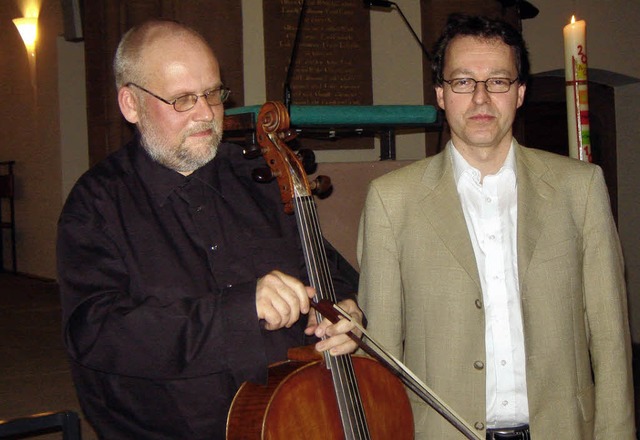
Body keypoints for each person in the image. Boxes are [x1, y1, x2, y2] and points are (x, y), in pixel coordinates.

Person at [57, 19, 363, 440]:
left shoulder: (257, 178)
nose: (206, 114)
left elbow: (333, 274)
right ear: (131, 104)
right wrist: (239, 309)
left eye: (214, 94)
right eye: (182, 99)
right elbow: (96, 332)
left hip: (297, 418)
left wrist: (348, 311)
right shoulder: (96, 204)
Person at [357, 13, 635, 440]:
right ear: (441, 94)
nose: (481, 98)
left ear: (519, 93)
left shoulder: (578, 188)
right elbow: (382, 354)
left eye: (499, 81)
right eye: (463, 82)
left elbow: (611, 338)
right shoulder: (391, 201)